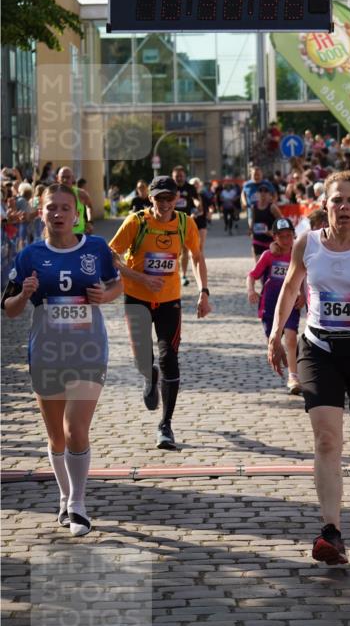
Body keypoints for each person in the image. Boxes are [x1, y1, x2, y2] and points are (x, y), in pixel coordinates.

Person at [268, 172, 350, 565]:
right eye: (336, 200)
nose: (343, 207)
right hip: (318, 346)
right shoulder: (307, 243)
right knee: (326, 441)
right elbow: (291, 288)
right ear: (324, 205)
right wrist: (276, 333)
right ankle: (331, 530)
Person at [2, 183, 122, 535]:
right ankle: (64, 495)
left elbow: (118, 285)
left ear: (77, 214)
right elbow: (8, 310)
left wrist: (105, 295)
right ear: (41, 212)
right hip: (46, 352)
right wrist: (23, 295)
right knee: (56, 436)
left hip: (88, 350)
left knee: (75, 429)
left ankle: (78, 504)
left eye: (65, 208)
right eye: (51, 207)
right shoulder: (29, 256)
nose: (58, 214)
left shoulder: (97, 248)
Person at [109, 175, 211, 450]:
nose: (165, 203)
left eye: (170, 198)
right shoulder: (136, 222)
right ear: (150, 198)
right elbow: (110, 255)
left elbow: (198, 259)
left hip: (169, 301)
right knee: (144, 360)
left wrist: (204, 292)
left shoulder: (183, 223)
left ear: (177, 198)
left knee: (170, 358)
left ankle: (165, 424)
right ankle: (148, 376)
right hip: (137, 298)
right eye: (159, 198)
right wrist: (139, 278)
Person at [248, 217, 303, 396]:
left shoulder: (298, 253)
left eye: (289, 236)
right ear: (275, 237)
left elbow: (307, 277)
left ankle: (293, 377)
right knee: (275, 342)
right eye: (282, 237)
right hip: (269, 305)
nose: (286, 240)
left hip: (291, 303)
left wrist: (304, 295)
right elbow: (252, 275)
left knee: (291, 338)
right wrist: (251, 291)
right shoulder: (268, 256)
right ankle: (288, 364)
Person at [171, 165, 200, 286]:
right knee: (171, 250)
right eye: (177, 176)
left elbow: (195, 201)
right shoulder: (169, 187)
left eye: (181, 176)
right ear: (173, 176)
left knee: (184, 249)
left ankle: (183, 275)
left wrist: (196, 208)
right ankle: (172, 274)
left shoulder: (190, 187)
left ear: (185, 176)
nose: (179, 178)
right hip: (170, 222)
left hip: (185, 222)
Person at [56, 167, 93, 235]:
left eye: (68, 177)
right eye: (62, 177)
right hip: (60, 236)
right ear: (57, 178)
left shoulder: (81, 194)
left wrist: (89, 222)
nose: (65, 180)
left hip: (79, 235)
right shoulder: (53, 196)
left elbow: (89, 206)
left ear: (73, 178)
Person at [249, 184, 281, 261]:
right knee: (259, 264)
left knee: (269, 265)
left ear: (270, 195)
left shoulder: (272, 207)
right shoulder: (254, 207)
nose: (263, 193)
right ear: (257, 194)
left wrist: (273, 231)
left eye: (266, 191)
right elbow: (253, 220)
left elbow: (281, 222)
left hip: (270, 241)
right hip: (257, 240)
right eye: (260, 191)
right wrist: (250, 229)